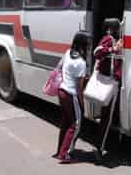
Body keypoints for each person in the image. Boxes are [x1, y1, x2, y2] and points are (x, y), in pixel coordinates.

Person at [53, 31, 90, 164]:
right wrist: (82, 104)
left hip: (61, 91)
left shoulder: (68, 53)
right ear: (83, 45)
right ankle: (65, 154)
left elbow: (60, 67)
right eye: (88, 43)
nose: (89, 45)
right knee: (76, 125)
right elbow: (79, 89)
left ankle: (59, 151)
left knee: (65, 123)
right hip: (71, 95)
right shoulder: (81, 63)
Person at [93, 18, 123, 161]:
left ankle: (107, 145)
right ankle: (99, 148)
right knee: (107, 117)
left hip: (113, 82)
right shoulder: (108, 39)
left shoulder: (115, 40)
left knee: (110, 116)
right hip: (110, 82)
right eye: (118, 27)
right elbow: (97, 52)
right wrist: (113, 49)